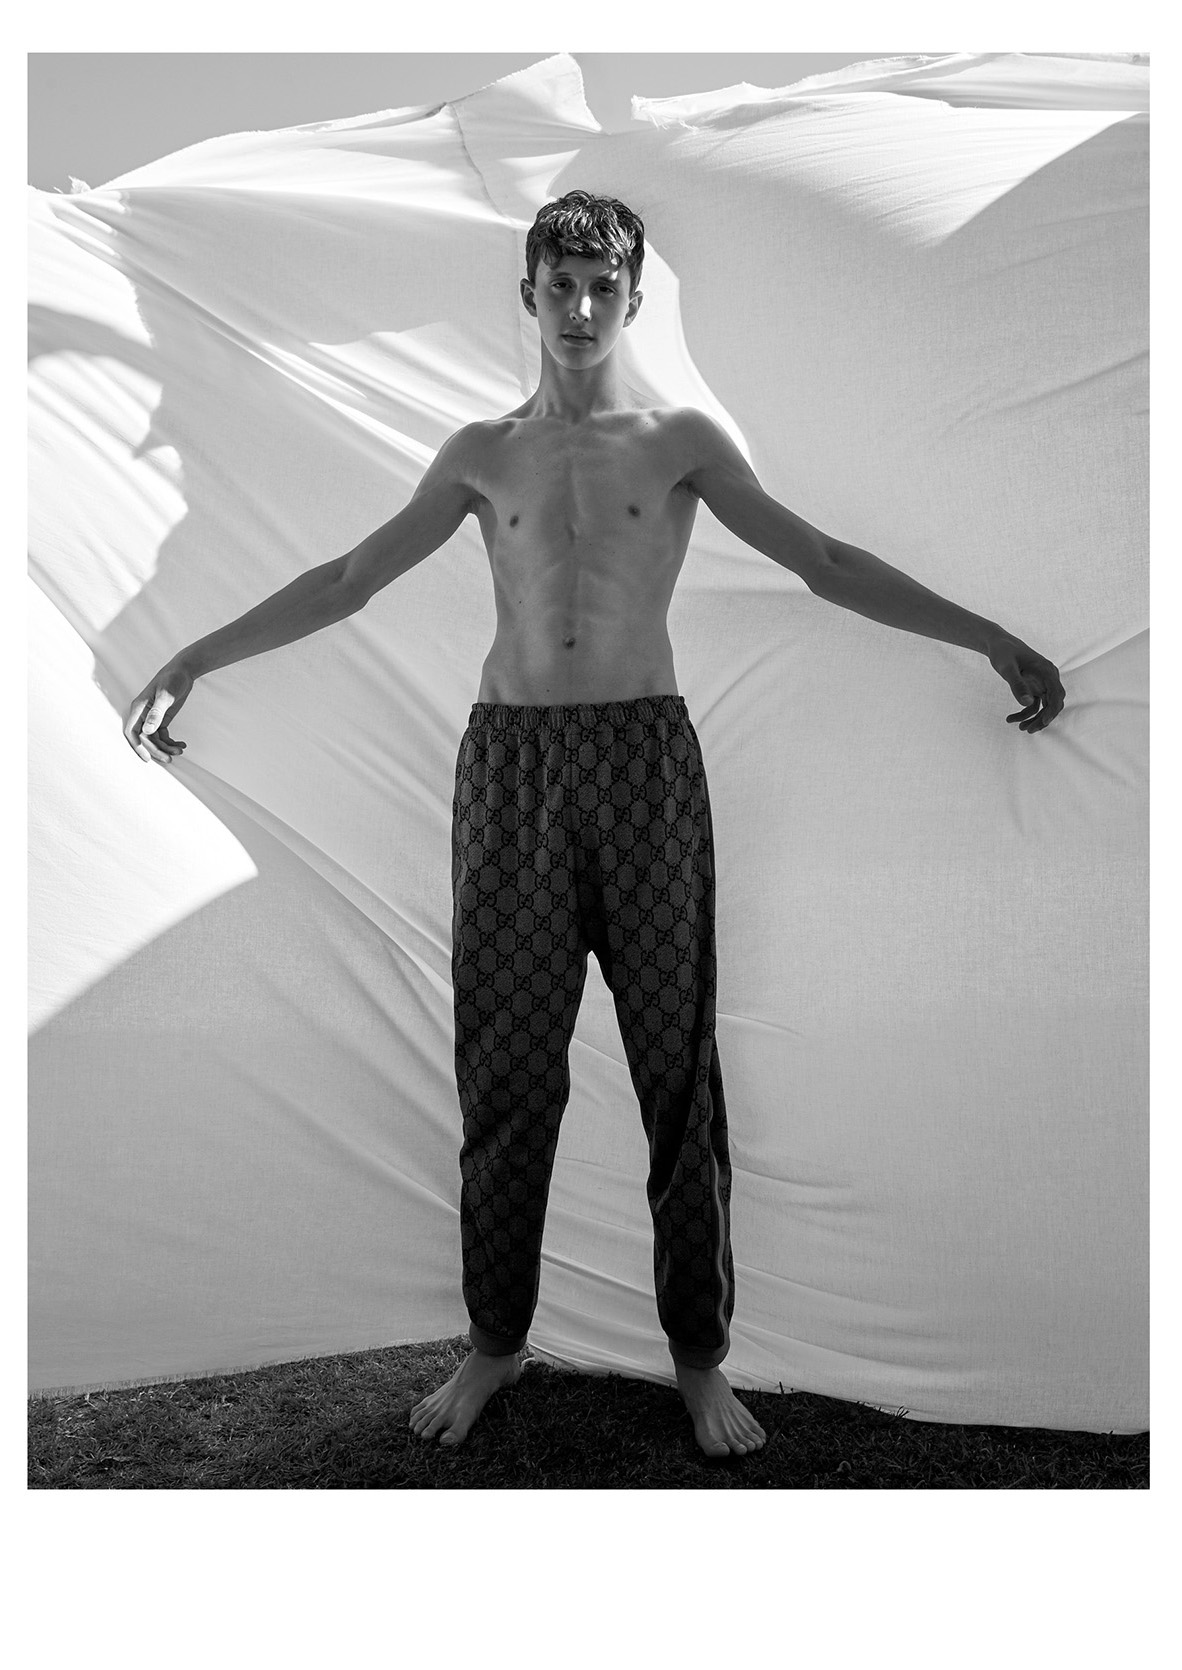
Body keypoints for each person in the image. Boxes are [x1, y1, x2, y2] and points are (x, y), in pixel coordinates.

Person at [124, 190, 1065, 1460]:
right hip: (512, 772)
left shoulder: (677, 440)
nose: (579, 308)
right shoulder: (480, 453)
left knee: (678, 1068)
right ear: (528, 296)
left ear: (632, 298)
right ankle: (495, 1339)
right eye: (559, 286)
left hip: (643, 766)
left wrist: (988, 635)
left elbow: (824, 561)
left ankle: (700, 1357)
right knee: (507, 1072)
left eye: (601, 288)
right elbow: (350, 578)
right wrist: (196, 656)